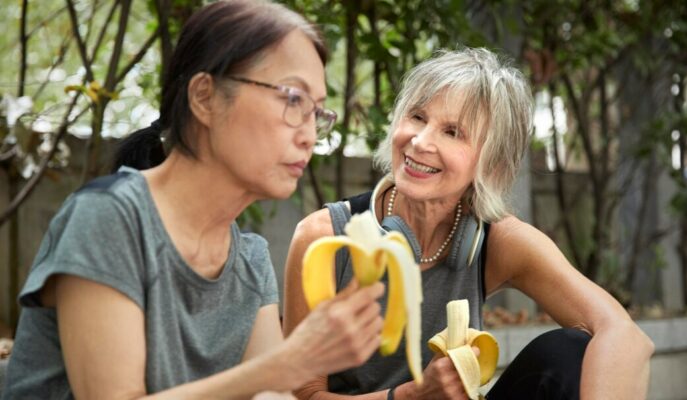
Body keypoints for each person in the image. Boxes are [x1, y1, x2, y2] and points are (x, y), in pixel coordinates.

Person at [2, 1, 386, 398]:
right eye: (293, 99)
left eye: (318, 113)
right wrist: (289, 362)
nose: (308, 134)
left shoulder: (250, 261)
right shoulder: (109, 218)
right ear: (205, 97)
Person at [283, 48, 654, 399]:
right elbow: (299, 394)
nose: (420, 141)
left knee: (567, 353)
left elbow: (624, 334)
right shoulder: (324, 237)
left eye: (452, 132)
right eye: (417, 117)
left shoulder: (497, 239)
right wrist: (410, 396)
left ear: (490, 163)